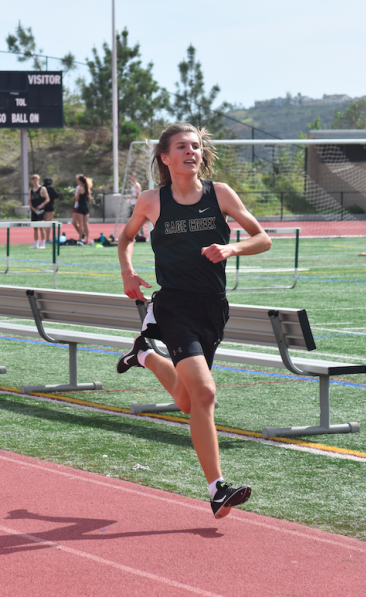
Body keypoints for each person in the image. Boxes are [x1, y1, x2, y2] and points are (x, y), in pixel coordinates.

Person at [116, 123, 272, 519]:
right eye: (182, 147)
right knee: (204, 394)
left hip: (212, 308)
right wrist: (128, 273)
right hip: (173, 307)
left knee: (188, 401)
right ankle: (217, 489)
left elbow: (263, 238)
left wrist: (232, 247)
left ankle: (145, 357)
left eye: (196, 146)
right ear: (165, 158)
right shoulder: (152, 201)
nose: (192, 152)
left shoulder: (220, 194)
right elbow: (126, 238)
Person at [29, 174, 50, 249]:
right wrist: (32, 208)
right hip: (34, 211)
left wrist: (41, 205)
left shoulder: (42, 189)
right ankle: (35, 244)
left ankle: (43, 244)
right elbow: (29, 201)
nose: (34, 181)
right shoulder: (31, 190)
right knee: (35, 228)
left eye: (35, 179)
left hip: (40, 211)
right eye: (33, 180)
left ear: (38, 180)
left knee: (41, 227)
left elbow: (47, 199)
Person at [72, 174, 92, 243]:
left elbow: (77, 198)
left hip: (80, 206)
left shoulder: (80, 188)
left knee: (80, 223)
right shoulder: (87, 188)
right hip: (86, 206)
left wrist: (74, 198)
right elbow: (90, 199)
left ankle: (80, 238)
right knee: (86, 223)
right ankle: (87, 238)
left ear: (80, 181)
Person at [126, 172, 146, 239]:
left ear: (135, 177)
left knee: (137, 218)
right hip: (133, 204)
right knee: (134, 219)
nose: (131, 178)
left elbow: (137, 195)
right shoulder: (133, 185)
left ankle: (141, 233)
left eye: (132, 176)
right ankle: (136, 233)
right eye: (130, 177)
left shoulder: (137, 185)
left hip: (136, 204)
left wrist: (129, 197)